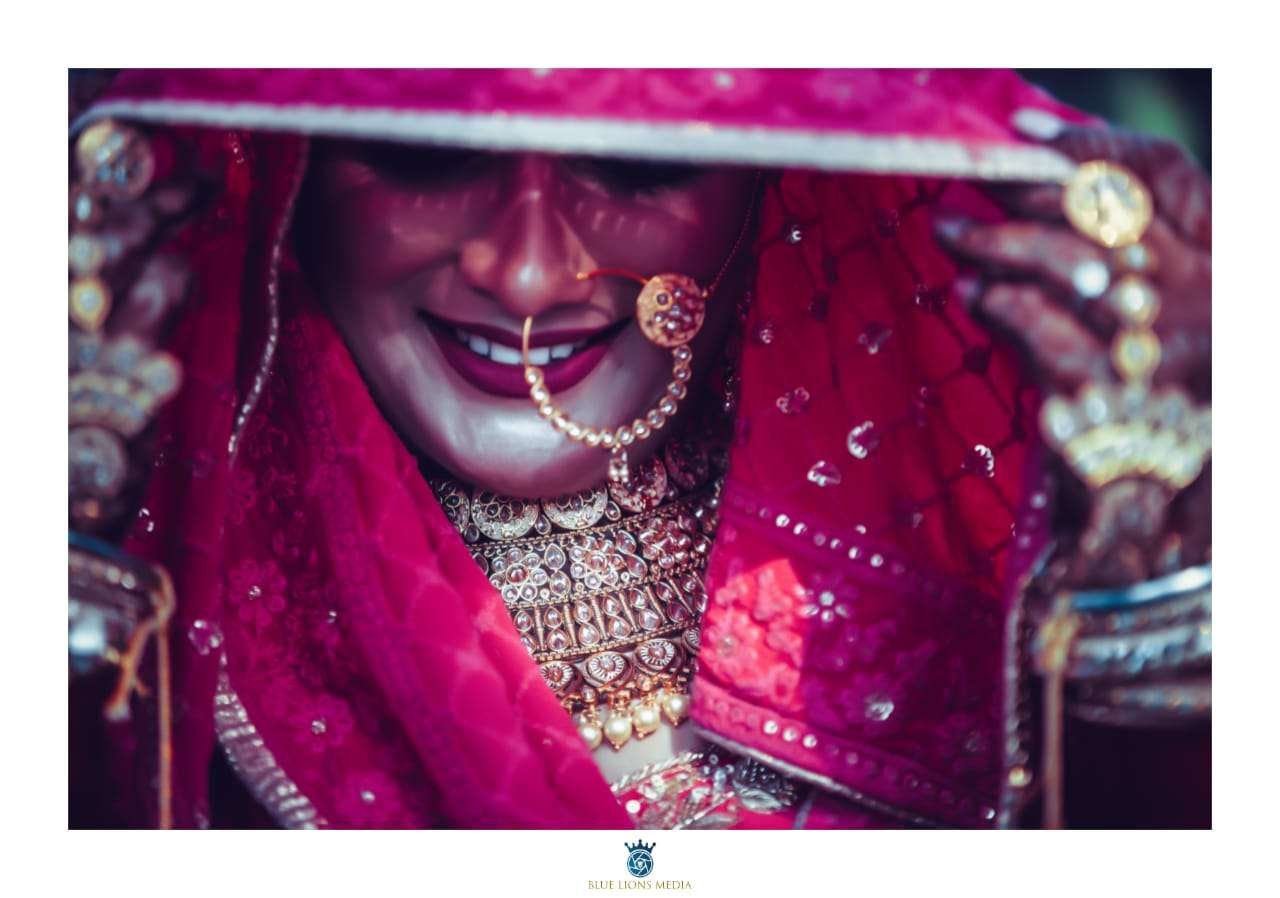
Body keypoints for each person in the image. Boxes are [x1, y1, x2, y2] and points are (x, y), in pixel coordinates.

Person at [67, 68, 1211, 829]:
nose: (525, 274)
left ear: (774, 173)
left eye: (633, 159)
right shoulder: (158, 599)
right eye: (423, 152)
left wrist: (1167, 587)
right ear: (287, 164)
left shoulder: (998, 546)